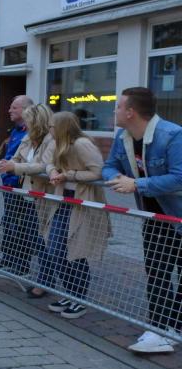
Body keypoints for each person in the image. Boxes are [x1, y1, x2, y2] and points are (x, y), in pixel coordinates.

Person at [103, 87, 182, 353]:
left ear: (131, 112)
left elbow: (179, 177)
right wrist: (117, 178)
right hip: (154, 217)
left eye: (118, 106)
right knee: (157, 272)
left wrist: (137, 184)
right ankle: (159, 327)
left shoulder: (172, 135)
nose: (114, 110)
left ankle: (173, 330)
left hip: (178, 216)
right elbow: (109, 166)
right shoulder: (122, 136)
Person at [40, 112, 109, 320]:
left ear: (62, 127)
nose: (49, 129)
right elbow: (47, 162)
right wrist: (53, 172)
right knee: (55, 248)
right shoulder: (57, 143)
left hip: (81, 202)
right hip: (63, 200)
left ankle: (79, 298)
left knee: (76, 250)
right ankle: (70, 292)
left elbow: (98, 171)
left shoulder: (82, 144)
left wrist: (69, 175)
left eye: (52, 126)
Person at [0, 103, 55, 296]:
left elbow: (43, 166)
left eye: (28, 121)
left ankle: (45, 281)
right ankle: (40, 276)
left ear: (37, 122)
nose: (25, 124)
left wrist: (15, 167)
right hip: (28, 194)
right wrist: (9, 163)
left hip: (44, 196)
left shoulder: (51, 140)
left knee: (44, 240)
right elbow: (17, 157)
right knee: (32, 237)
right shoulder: (28, 138)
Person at [0, 96, 34, 272]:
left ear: (26, 110)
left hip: (21, 186)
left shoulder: (31, 132)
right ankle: (8, 257)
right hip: (8, 184)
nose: (9, 110)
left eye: (14, 107)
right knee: (9, 221)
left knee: (22, 225)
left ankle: (22, 264)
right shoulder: (16, 130)